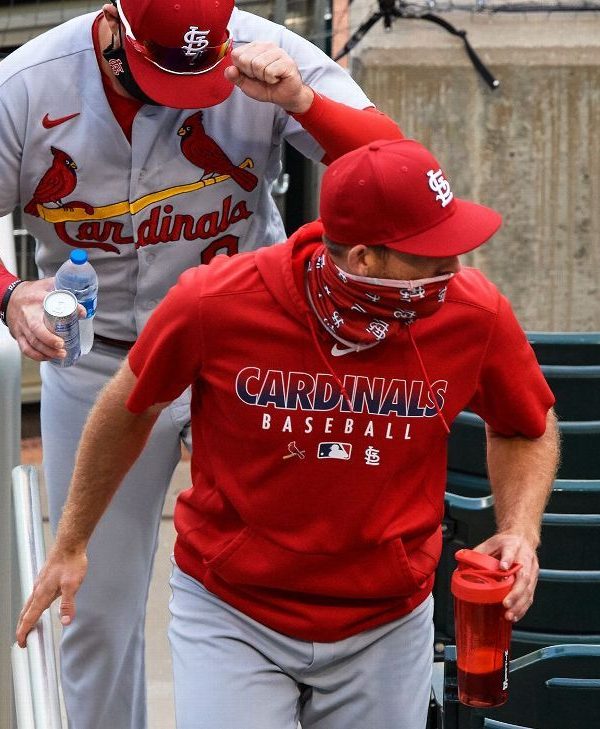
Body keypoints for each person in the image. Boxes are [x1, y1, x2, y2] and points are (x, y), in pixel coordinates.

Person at [17, 138, 560, 729]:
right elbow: (128, 406)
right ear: (363, 258)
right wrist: (71, 542)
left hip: (385, 620)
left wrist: (520, 530)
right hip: (233, 612)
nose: (454, 269)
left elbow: (526, 426)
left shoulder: (473, 313)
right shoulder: (218, 300)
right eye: (432, 255)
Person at [0, 0, 404, 725]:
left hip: (243, 356)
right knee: (92, 611)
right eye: (159, 71)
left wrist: (303, 102)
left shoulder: (264, 50)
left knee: (286, 579)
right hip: (98, 358)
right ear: (115, 27)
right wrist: (8, 294)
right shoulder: (28, 85)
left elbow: (394, 170)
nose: (177, 94)